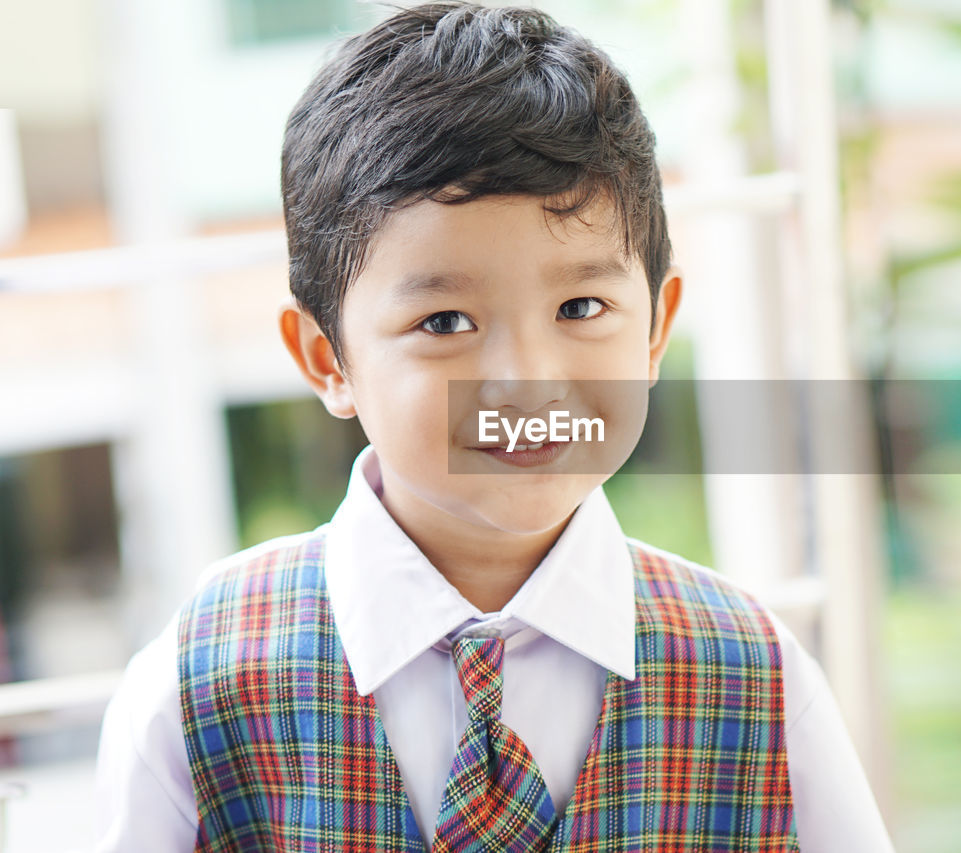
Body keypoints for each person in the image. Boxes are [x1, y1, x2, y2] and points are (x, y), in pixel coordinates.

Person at [92, 3, 894, 850]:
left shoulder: (754, 678)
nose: (528, 382)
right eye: (444, 322)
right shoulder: (198, 685)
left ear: (655, 329)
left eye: (581, 307)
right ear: (328, 358)